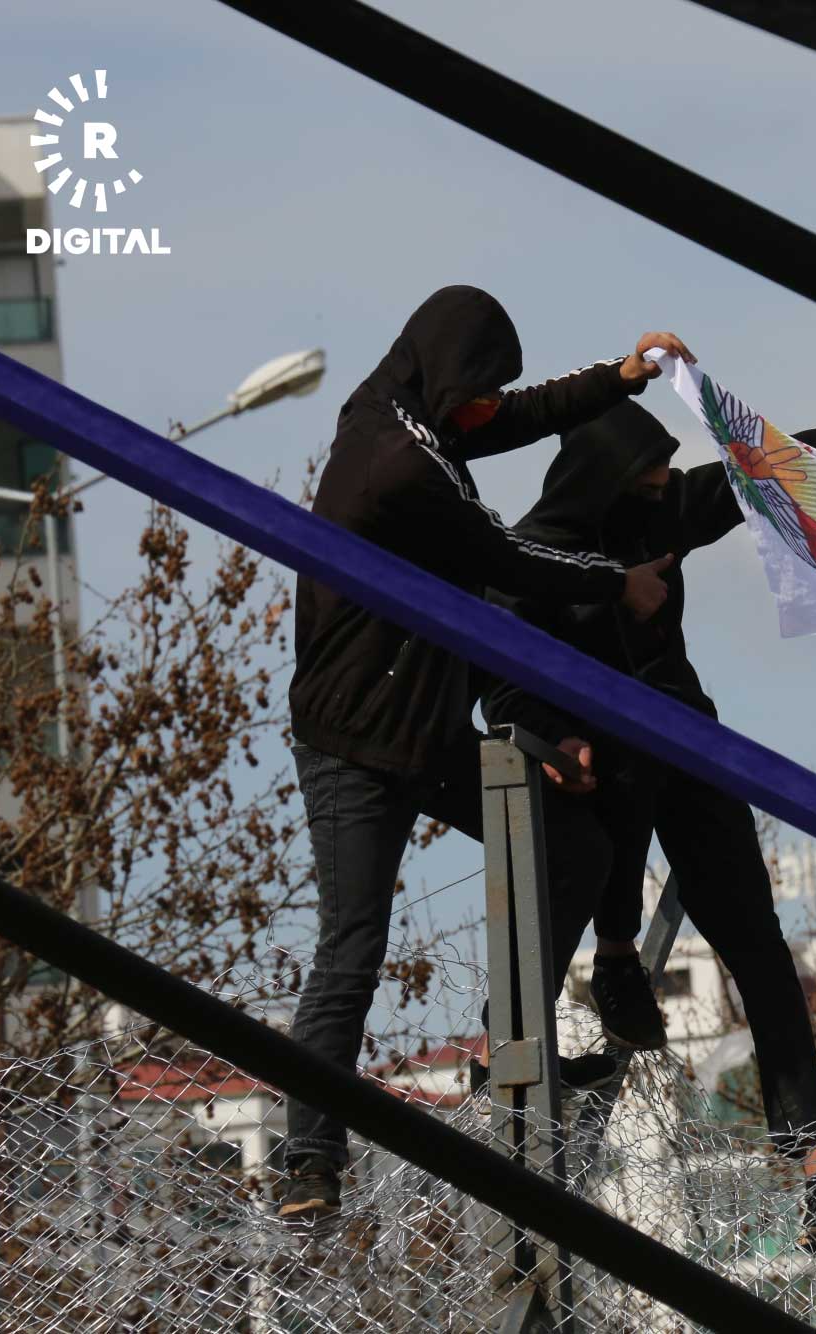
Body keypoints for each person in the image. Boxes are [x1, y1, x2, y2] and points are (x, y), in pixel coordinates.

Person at [482, 366, 816, 1256]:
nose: (663, 494)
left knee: (758, 942)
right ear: (603, 480)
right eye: (648, 481)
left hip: (688, 750)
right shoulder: (530, 559)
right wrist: (560, 742)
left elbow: (766, 469)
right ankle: (597, 979)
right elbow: (499, 688)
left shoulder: (666, 511)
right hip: (594, 779)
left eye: (665, 482)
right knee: (607, 795)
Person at [278, 284, 688, 1220]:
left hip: (423, 732)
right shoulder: (396, 463)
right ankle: (309, 1159)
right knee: (352, 946)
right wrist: (617, 582)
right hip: (353, 744)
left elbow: (518, 415)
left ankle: (516, 1048)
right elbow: (504, 557)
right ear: (445, 378)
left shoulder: (416, 414)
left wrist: (619, 378)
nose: (485, 411)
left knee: (575, 845)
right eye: (478, 394)